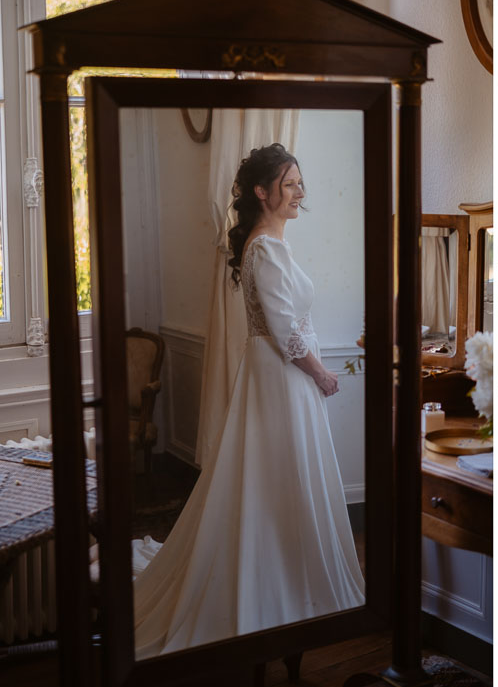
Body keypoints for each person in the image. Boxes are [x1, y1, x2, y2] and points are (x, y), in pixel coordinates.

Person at [131, 144, 365, 658]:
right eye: (289, 184)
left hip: (279, 375)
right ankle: (275, 588)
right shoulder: (264, 249)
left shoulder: (269, 246)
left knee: (280, 476)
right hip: (280, 375)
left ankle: (287, 575)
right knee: (273, 476)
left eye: (301, 183)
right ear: (262, 192)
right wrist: (323, 375)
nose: (300, 192)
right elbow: (285, 330)